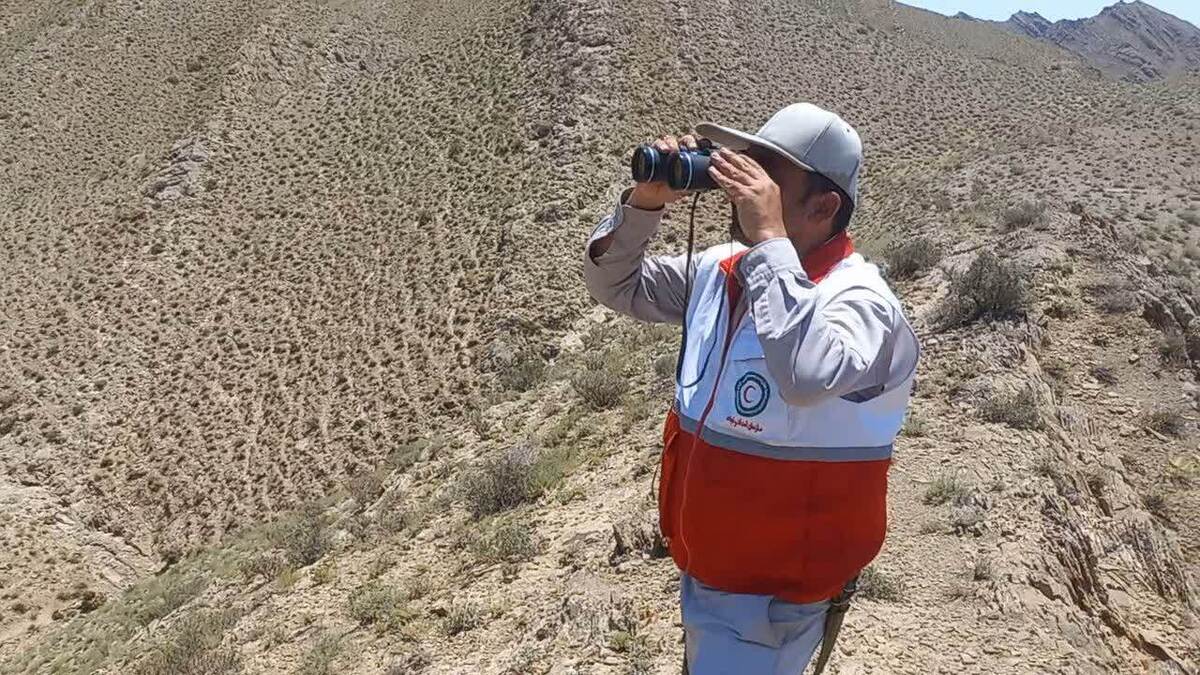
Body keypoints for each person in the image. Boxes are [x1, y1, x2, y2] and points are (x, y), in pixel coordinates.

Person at [582, 103, 920, 674]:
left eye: (764, 175)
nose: (741, 185)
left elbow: (806, 374)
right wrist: (644, 204)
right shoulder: (723, 271)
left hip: (772, 600)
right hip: (711, 574)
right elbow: (617, 285)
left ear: (823, 205)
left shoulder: (863, 303)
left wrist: (767, 241)